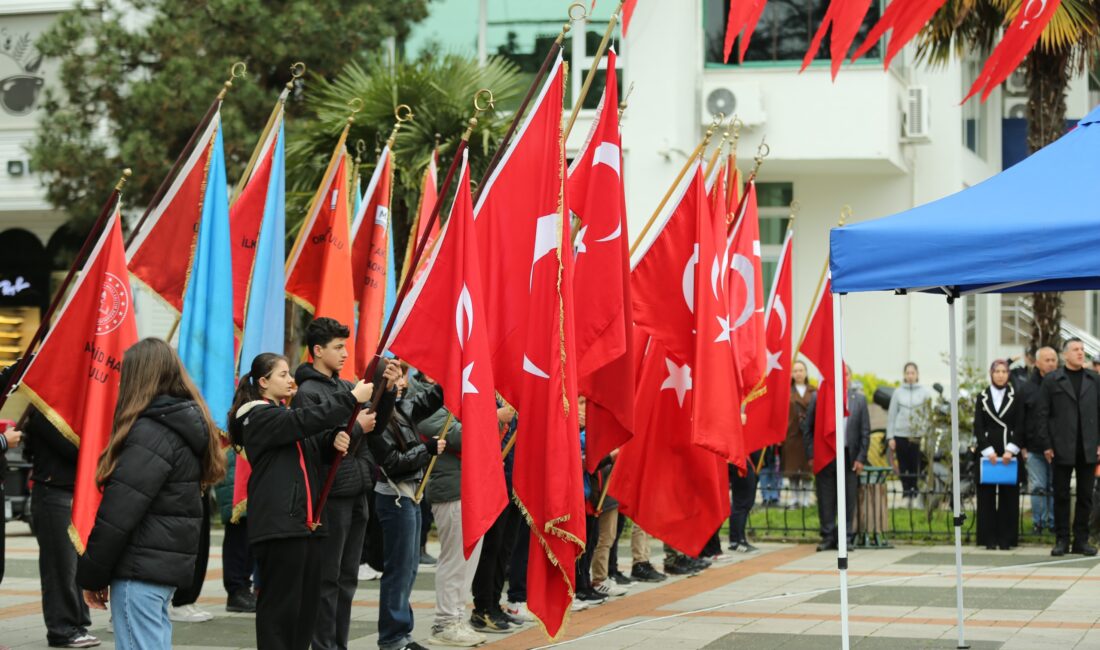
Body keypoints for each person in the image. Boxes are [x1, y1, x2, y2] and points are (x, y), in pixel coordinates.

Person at [76, 338, 227, 650]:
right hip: (159, 566)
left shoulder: (151, 432)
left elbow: (119, 514)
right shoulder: (182, 423)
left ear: (138, 378)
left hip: (139, 566)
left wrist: (91, 576)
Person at [229, 352, 373, 650]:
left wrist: (331, 441)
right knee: (281, 609)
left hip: (306, 524)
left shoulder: (281, 416)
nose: (290, 379)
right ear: (264, 382)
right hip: (280, 526)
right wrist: (350, 399)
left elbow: (306, 448)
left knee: (306, 610)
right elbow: (303, 421)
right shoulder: (255, 415)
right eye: (283, 374)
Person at [294, 318, 393, 650]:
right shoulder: (308, 392)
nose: (344, 354)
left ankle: (339, 642)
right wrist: (355, 429)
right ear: (317, 350)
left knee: (347, 579)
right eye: (337, 347)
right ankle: (324, 645)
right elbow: (321, 443)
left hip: (357, 489)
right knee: (328, 580)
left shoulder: (343, 386)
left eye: (345, 346)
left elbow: (373, 427)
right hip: (331, 493)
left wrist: (388, 392)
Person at [367, 368, 445, 650]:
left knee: (409, 569)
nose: (401, 383)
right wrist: (428, 450)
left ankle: (403, 633)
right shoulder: (374, 418)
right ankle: (391, 638)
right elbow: (393, 462)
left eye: (401, 377)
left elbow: (432, 399)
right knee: (398, 570)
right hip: (394, 498)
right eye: (393, 378)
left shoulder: (403, 407)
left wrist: (452, 371)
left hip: (410, 496)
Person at [16, 382, 96, 647]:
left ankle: (78, 624)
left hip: (71, 494)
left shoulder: (62, 411)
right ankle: (62, 629)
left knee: (74, 565)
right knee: (60, 568)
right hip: (53, 495)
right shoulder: (45, 414)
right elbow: (75, 449)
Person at [417, 383, 486, 647]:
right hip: (449, 487)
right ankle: (444, 622)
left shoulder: (460, 393)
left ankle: (458, 616)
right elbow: (458, 434)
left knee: (469, 558)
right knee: (454, 558)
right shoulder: (425, 398)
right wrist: (491, 419)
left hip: (471, 486)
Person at [1037, 338, 1100, 557]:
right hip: (1061, 447)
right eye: (1075, 350)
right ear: (1065, 355)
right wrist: (1046, 444)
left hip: (1088, 447)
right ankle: (1061, 539)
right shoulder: (1053, 380)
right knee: (1061, 495)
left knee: (1085, 496)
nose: (1081, 353)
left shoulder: (1094, 379)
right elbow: (1042, 414)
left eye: (1082, 350)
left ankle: (1081, 540)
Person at [804, 375, 870, 551]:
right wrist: (812, 454)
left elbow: (865, 431)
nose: (843, 378)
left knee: (848, 498)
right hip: (826, 454)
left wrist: (861, 458)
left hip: (849, 455)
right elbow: (808, 428)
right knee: (826, 498)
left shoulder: (859, 400)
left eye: (846, 374)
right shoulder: (819, 397)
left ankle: (845, 536)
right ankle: (827, 536)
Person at [974, 359, 1023, 550]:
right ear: (991, 373)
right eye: (997, 371)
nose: (1001, 375)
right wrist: (988, 451)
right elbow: (978, 426)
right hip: (989, 455)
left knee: (1009, 497)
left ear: (1008, 374)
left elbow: (1021, 425)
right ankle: (988, 538)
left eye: (1004, 371)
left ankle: (1007, 538)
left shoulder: (1016, 396)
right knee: (986, 497)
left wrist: (1011, 450)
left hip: (1009, 453)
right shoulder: (982, 397)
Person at [1017, 346, 1058, 533]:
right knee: (1038, 487)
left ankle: (1053, 522)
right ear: (1037, 362)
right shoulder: (1027, 388)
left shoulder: (1061, 384)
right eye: (1047, 360)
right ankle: (1038, 523)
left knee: (1054, 486)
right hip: (1034, 447)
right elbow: (1021, 418)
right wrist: (1022, 446)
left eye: (1053, 360)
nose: (1051, 363)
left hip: (1057, 446)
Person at [215, 448, 256, 612]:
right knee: (238, 540)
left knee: (249, 541)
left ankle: (244, 588)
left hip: (245, 475)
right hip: (234, 478)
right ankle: (236, 590)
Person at [887, 362, 932, 503]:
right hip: (900, 435)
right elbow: (892, 415)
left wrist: (926, 433)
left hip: (917, 436)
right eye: (908, 373)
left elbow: (928, 415)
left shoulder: (925, 393)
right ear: (904, 375)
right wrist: (890, 437)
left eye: (913, 373)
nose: (910, 375)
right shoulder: (898, 392)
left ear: (917, 374)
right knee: (903, 465)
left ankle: (915, 490)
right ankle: (906, 490)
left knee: (916, 464)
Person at [785, 361, 815, 508]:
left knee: (807, 470)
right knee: (793, 469)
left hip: (808, 435)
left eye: (801, 370)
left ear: (806, 372)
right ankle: (794, 498)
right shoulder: (787, 391)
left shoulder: (813, 391)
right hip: (792, 435)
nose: (798, 373)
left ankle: (806, 499)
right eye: (795, 371)